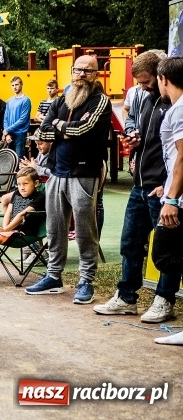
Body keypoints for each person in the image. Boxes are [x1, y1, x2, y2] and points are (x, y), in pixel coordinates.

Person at [92, 51, 178, 323]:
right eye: (138, 82)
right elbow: (138, 126)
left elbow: (178, 154)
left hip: (161, 188)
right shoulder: (142, 98)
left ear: (161, 76)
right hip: (140, 184)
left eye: (147, 81)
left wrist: (169, 190)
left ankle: (164, 299)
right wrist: (134, 137)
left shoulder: (174, 104)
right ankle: (127, 297)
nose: (142, 87)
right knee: (130, 243)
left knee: (166, 249)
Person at [26, 55, 112, 303]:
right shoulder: (63, 98)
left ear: (96, 74)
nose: (82, 74)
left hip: (84, 172)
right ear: (72, 72)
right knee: (54, 227)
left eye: (88, 71)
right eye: (78, 70)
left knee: (85, 230)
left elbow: (82, 130)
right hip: (56, 171)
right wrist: (64, 127)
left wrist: (58, 124)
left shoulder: (100, 101)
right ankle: (54, 276)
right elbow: (41, 132)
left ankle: (86, 280)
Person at [152, 56, 183, 346]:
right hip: (175, 190)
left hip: (180, 199)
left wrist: (172, 198)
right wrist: (166, 187)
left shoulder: (180, 108)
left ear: (164, 79)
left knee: (163, 255)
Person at [2, 76, 32, 160]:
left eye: (16, 84)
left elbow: (23, 120)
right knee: (10, 159)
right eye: (12, 85)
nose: (14, 87)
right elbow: (6, 118)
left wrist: (7, 130)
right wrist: (7, 133)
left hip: (20, 134)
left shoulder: (26, 100)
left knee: (19, 159)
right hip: (9, 134)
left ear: (21, 84)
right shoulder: (9, 100)